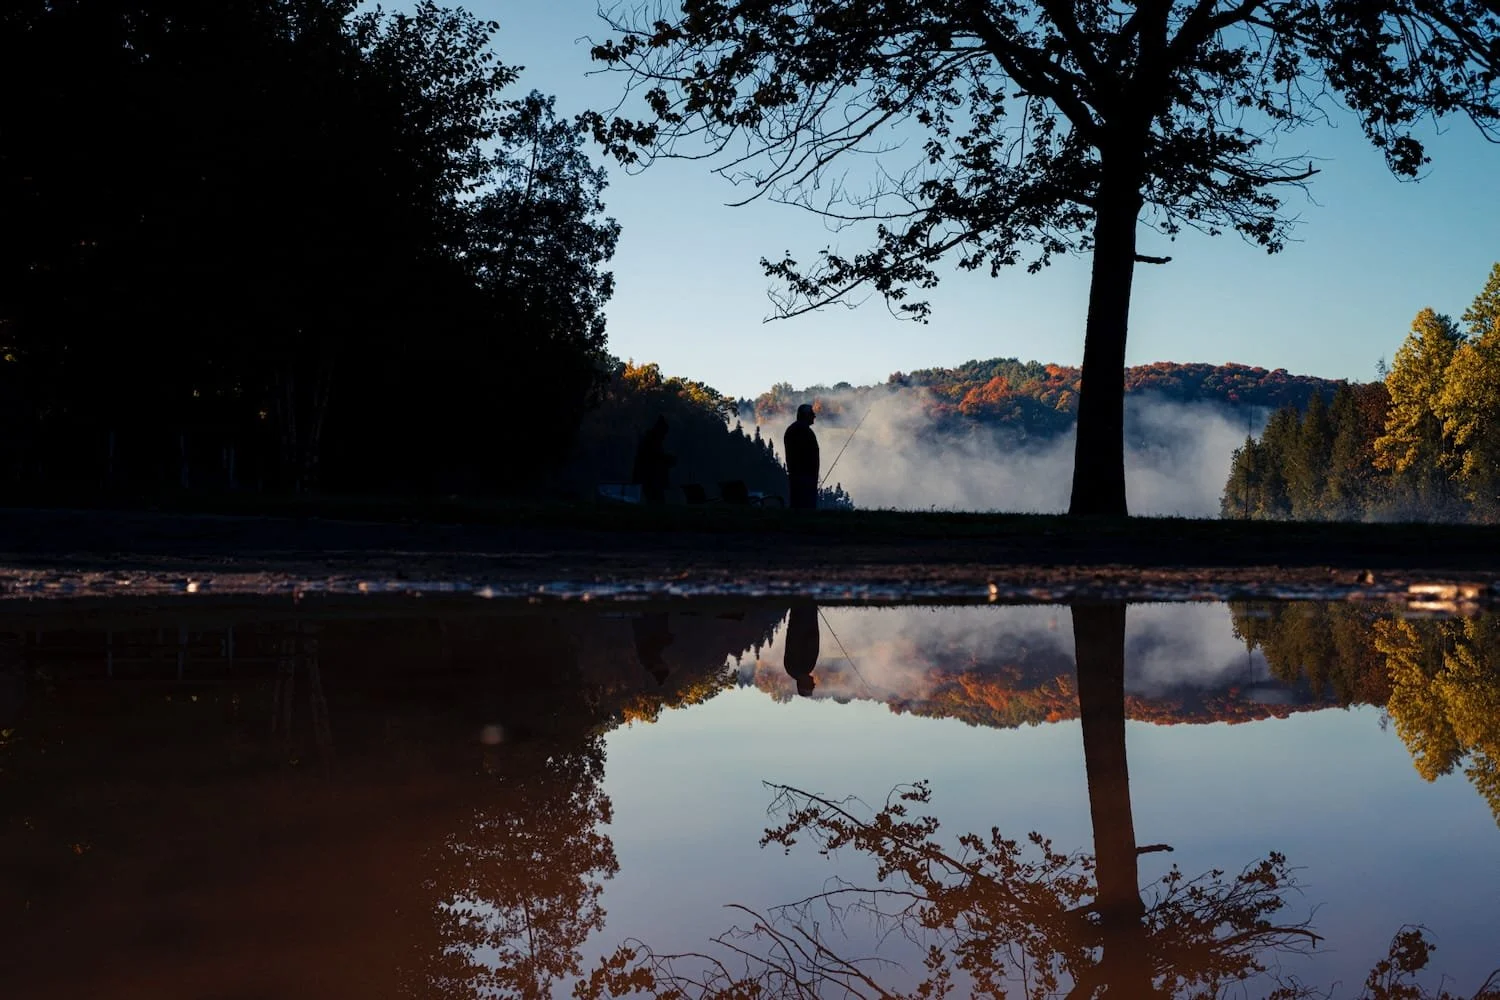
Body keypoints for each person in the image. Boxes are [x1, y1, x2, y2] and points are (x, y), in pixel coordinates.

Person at [631, 415, 675, 504]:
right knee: (657, 501)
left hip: (649, 479)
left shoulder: (651, 440)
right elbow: (653, 460)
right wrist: (667, 460)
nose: (665, 436)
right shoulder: (652, 441)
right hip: (651, 479)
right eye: (664, 432)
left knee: (655, 501)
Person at [783, 403, 819, 510]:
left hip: (797, 475)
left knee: (797, 506)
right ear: (805, 415)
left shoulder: (792, 429)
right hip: (805, 476)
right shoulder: (804, 431)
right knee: (806, 508)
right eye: (812, 413)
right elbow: (808, 455)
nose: (814, 416)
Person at [783, 600, 820, 697]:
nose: (814, 684)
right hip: (808, 624)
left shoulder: (794, 668)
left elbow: (794, 641)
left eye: (811, 686)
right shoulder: (806, 669)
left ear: (804, 685)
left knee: (803, 599)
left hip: (801, 622)